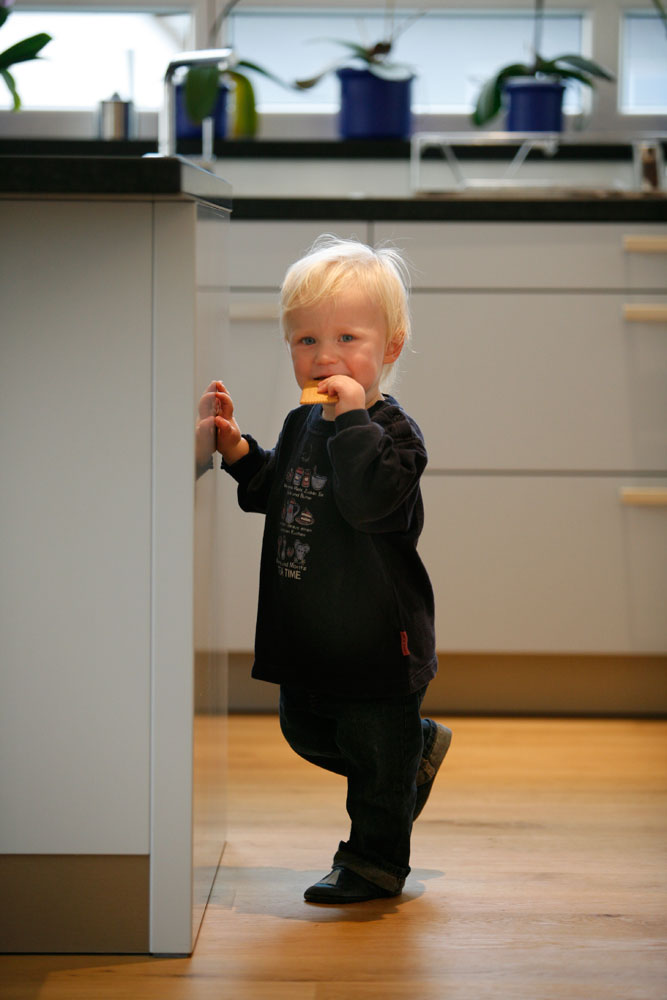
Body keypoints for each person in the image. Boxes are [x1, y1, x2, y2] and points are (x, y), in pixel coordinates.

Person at [196, 235, 452, 904]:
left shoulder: (394, 436)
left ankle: (373, 864)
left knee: (373, 760)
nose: (324, 356)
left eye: (347, 338)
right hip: (310, 632)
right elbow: (278, 490)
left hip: (378, 641)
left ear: (390, 347)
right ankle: (411, 752)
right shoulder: (301, 422)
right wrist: (240, 451)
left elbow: (367, 500)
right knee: (304, 730)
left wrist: (352, 416)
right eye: (306, 340)